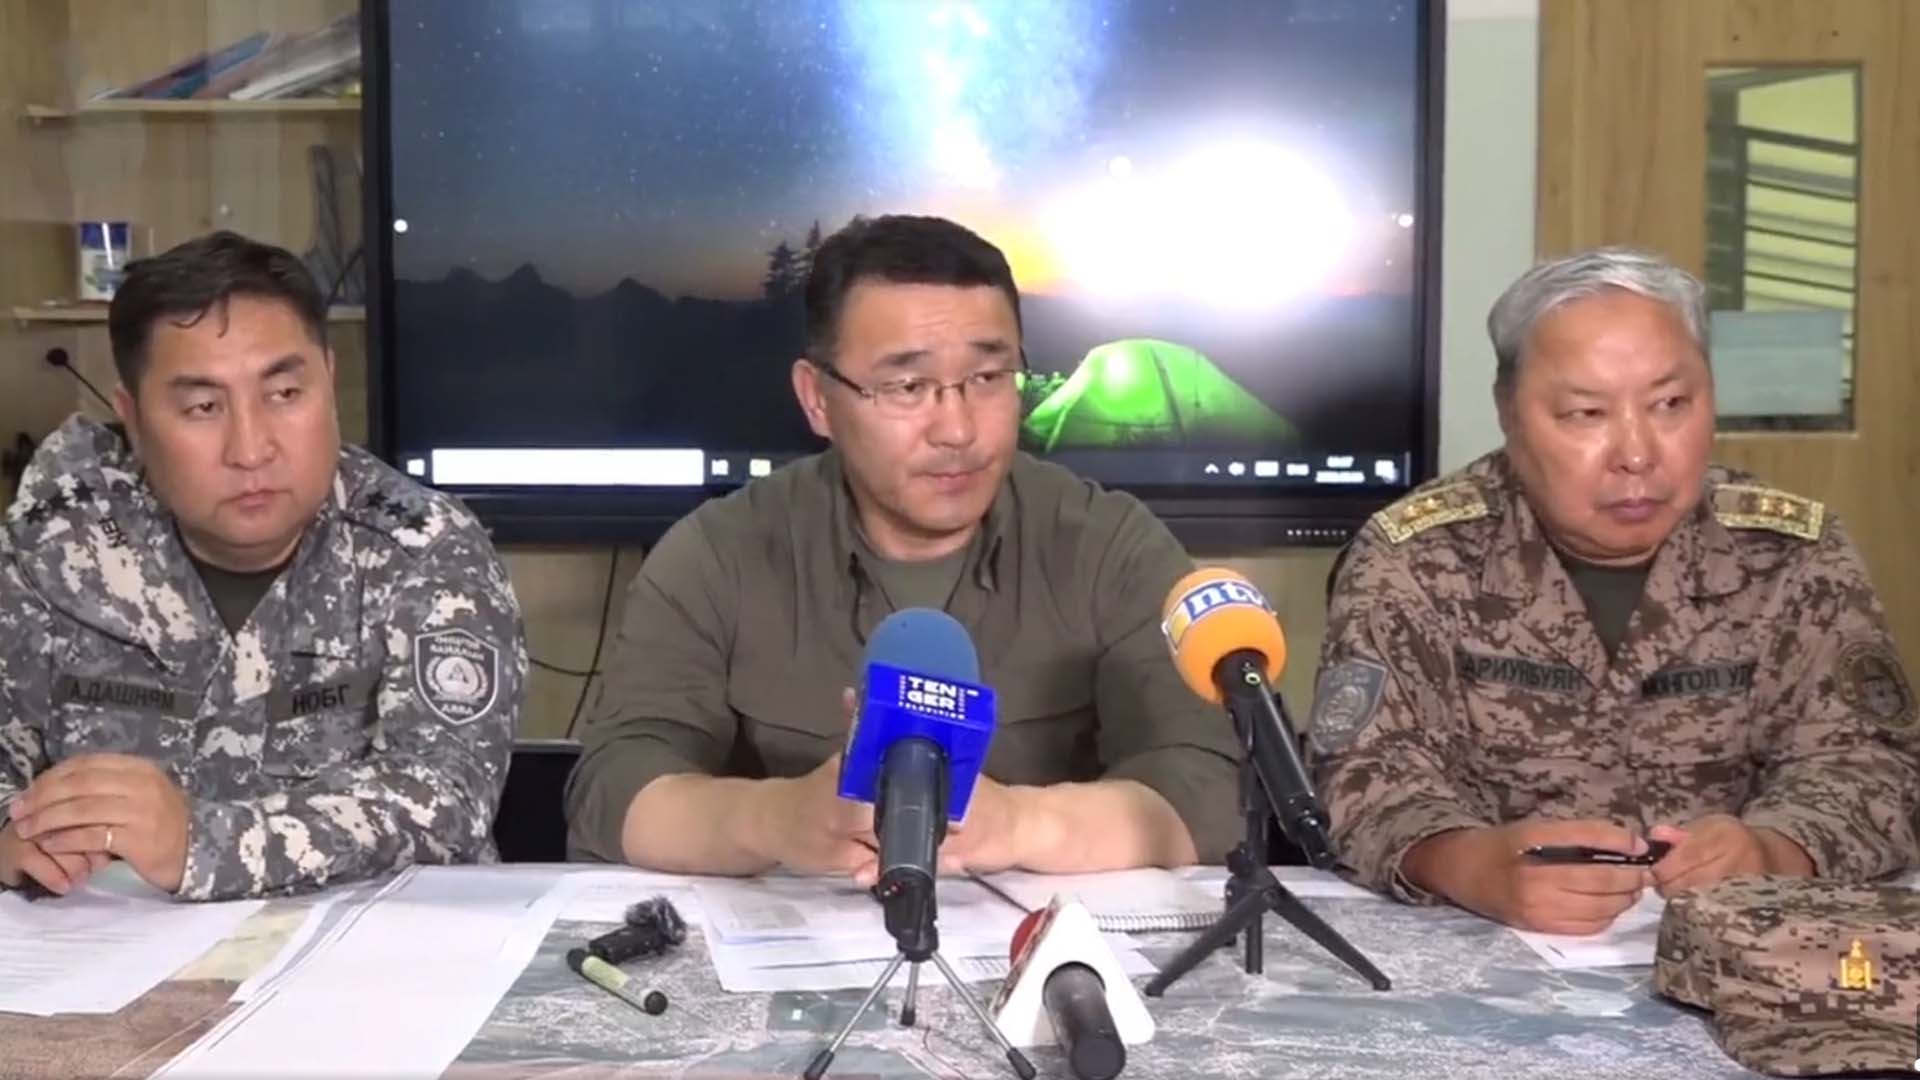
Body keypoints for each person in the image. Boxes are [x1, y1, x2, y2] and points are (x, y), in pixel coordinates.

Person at [565, 215, 1242, 881]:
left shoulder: (1111, 544)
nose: (957, 429)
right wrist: (775, 818)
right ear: (818, 399)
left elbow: (1210, 789)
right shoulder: (719, 553)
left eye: (988, 378)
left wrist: (1020, 824)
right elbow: (613, 789)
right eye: (909, 387)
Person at [1309, 247, 1918, 935]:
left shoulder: (1793, 556)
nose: (1636, 454)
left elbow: (1871, 764)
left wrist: (1774, 851)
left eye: (1670, 405)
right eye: (1586, 414)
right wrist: (1468, 866)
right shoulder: (1416, 558)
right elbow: (1361, 776)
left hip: (1739, 949)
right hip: (1486, 949)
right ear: (1510, 413)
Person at [0, 231, 525, 901]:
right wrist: (10, 829)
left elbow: (443, 800)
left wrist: (200, 843)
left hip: (375, 946)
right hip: (108, 943)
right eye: (203, 407)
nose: (251, 449)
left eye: (283, 394)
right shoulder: (54, 546)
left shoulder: (423, 549)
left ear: (328, 381)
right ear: (131, 418)